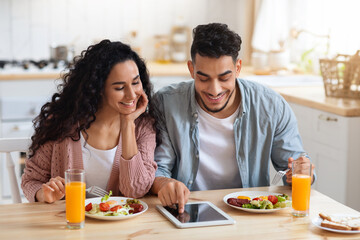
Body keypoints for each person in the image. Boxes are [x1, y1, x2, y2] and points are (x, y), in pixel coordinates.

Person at [150, 23, 315, 213]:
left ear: (238, 68)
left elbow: (294, 167)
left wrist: (302, 171)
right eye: (203, 78)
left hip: (248, 213)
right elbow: (158, 168)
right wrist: (164, 183)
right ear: (191, 69)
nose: (214, 90)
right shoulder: (166, 103)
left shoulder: (271, 106)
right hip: (186, 211)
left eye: (224, 78)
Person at [21, 40, 158, 203]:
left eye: (135, 83)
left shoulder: (143, 127)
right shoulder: (62, 123)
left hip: (120, 226)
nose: (131, 94)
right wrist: (45, 194)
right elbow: (31, 181)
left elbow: (135, 191)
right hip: (69, 223)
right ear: (98, 88)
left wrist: (128, 124)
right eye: (119, 88)